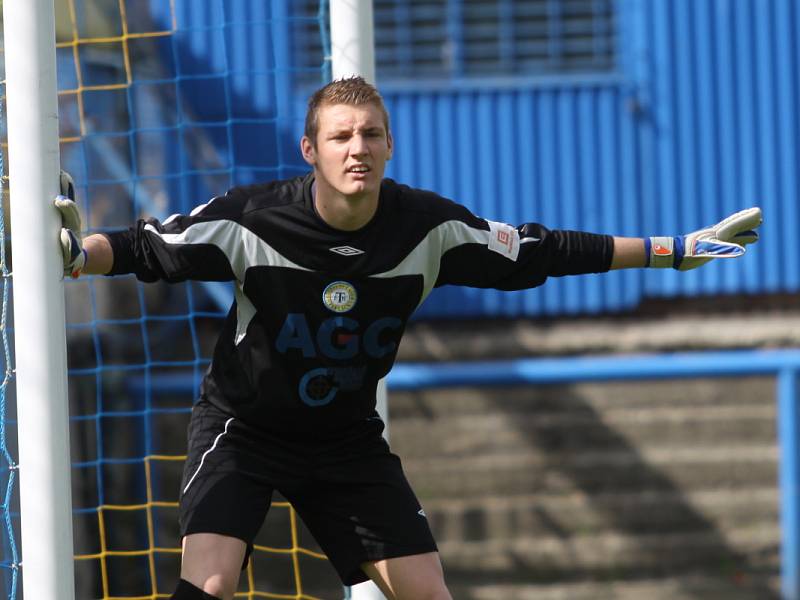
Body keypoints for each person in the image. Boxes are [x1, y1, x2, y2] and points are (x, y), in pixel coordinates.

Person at [55, 76, 762, 600]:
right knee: (207, 585)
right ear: (311, 150)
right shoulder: (253, 218)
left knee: (429, 594)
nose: (356, 148)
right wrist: (77, 255)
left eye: (369, 134)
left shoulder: (429, 229)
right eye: (340, 136)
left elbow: (543, 251)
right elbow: (147, 245)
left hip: (346, 443)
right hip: (244, 430)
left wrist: (673, 249)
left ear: (389, 144)